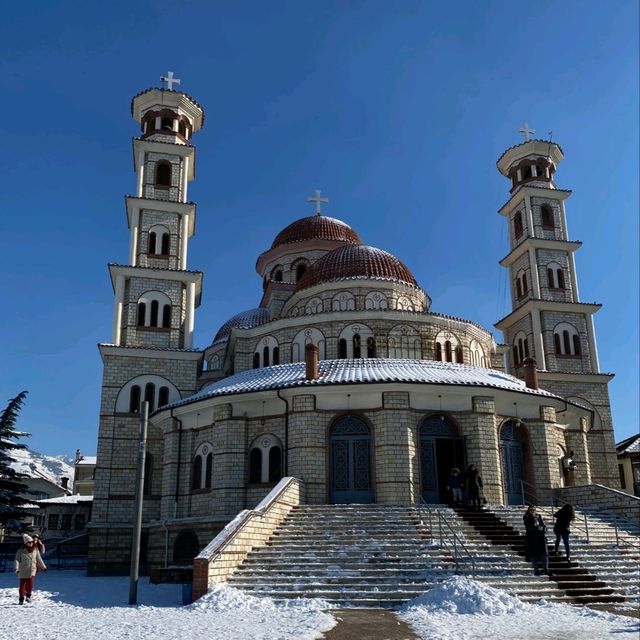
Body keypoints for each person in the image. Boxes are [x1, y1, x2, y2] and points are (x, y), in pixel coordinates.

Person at [14, 533, 47, 604]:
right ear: (26, 543)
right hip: (23, 570)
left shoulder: (36, 549)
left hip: (32, 569)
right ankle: (21, 598)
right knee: (22, 585)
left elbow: (39, 559)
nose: (31, 543)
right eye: (29, 542)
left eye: (32, 542)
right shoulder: (21, 550)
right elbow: (16, 560)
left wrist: (44, 567)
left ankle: (28, 596)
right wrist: (16, 568)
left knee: (30, 583)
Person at [523, 505, 549, 575]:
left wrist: (544, 529)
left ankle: (545, 569)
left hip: (540, 537)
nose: (532, 511)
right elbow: (528, 527)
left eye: (534, 510)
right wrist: (536, 527)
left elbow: (544, 526)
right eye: (531, 510)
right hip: (532, 538)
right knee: (534, 554)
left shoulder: (538, 516)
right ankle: (536, 570)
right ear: (528, 510)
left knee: (544, 554)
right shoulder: (526, 516)